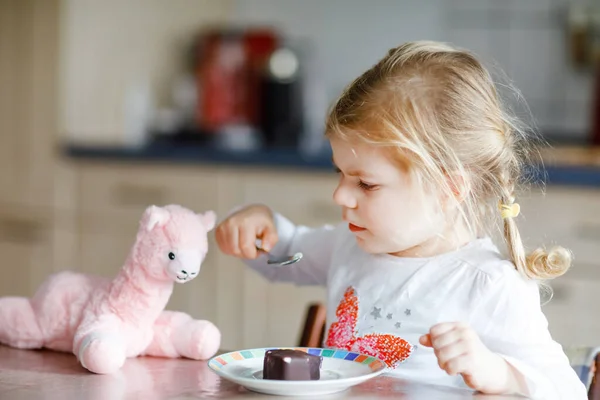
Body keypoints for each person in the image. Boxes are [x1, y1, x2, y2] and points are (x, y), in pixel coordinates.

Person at [214, 41, 587, 399]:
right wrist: (257, 226)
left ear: (448, 188)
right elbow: (287, 254)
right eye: (340, 174)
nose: (340, 196)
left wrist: (499, 373)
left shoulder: (489, 284)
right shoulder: (349, 245)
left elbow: (567, 390)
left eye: (366, 183)